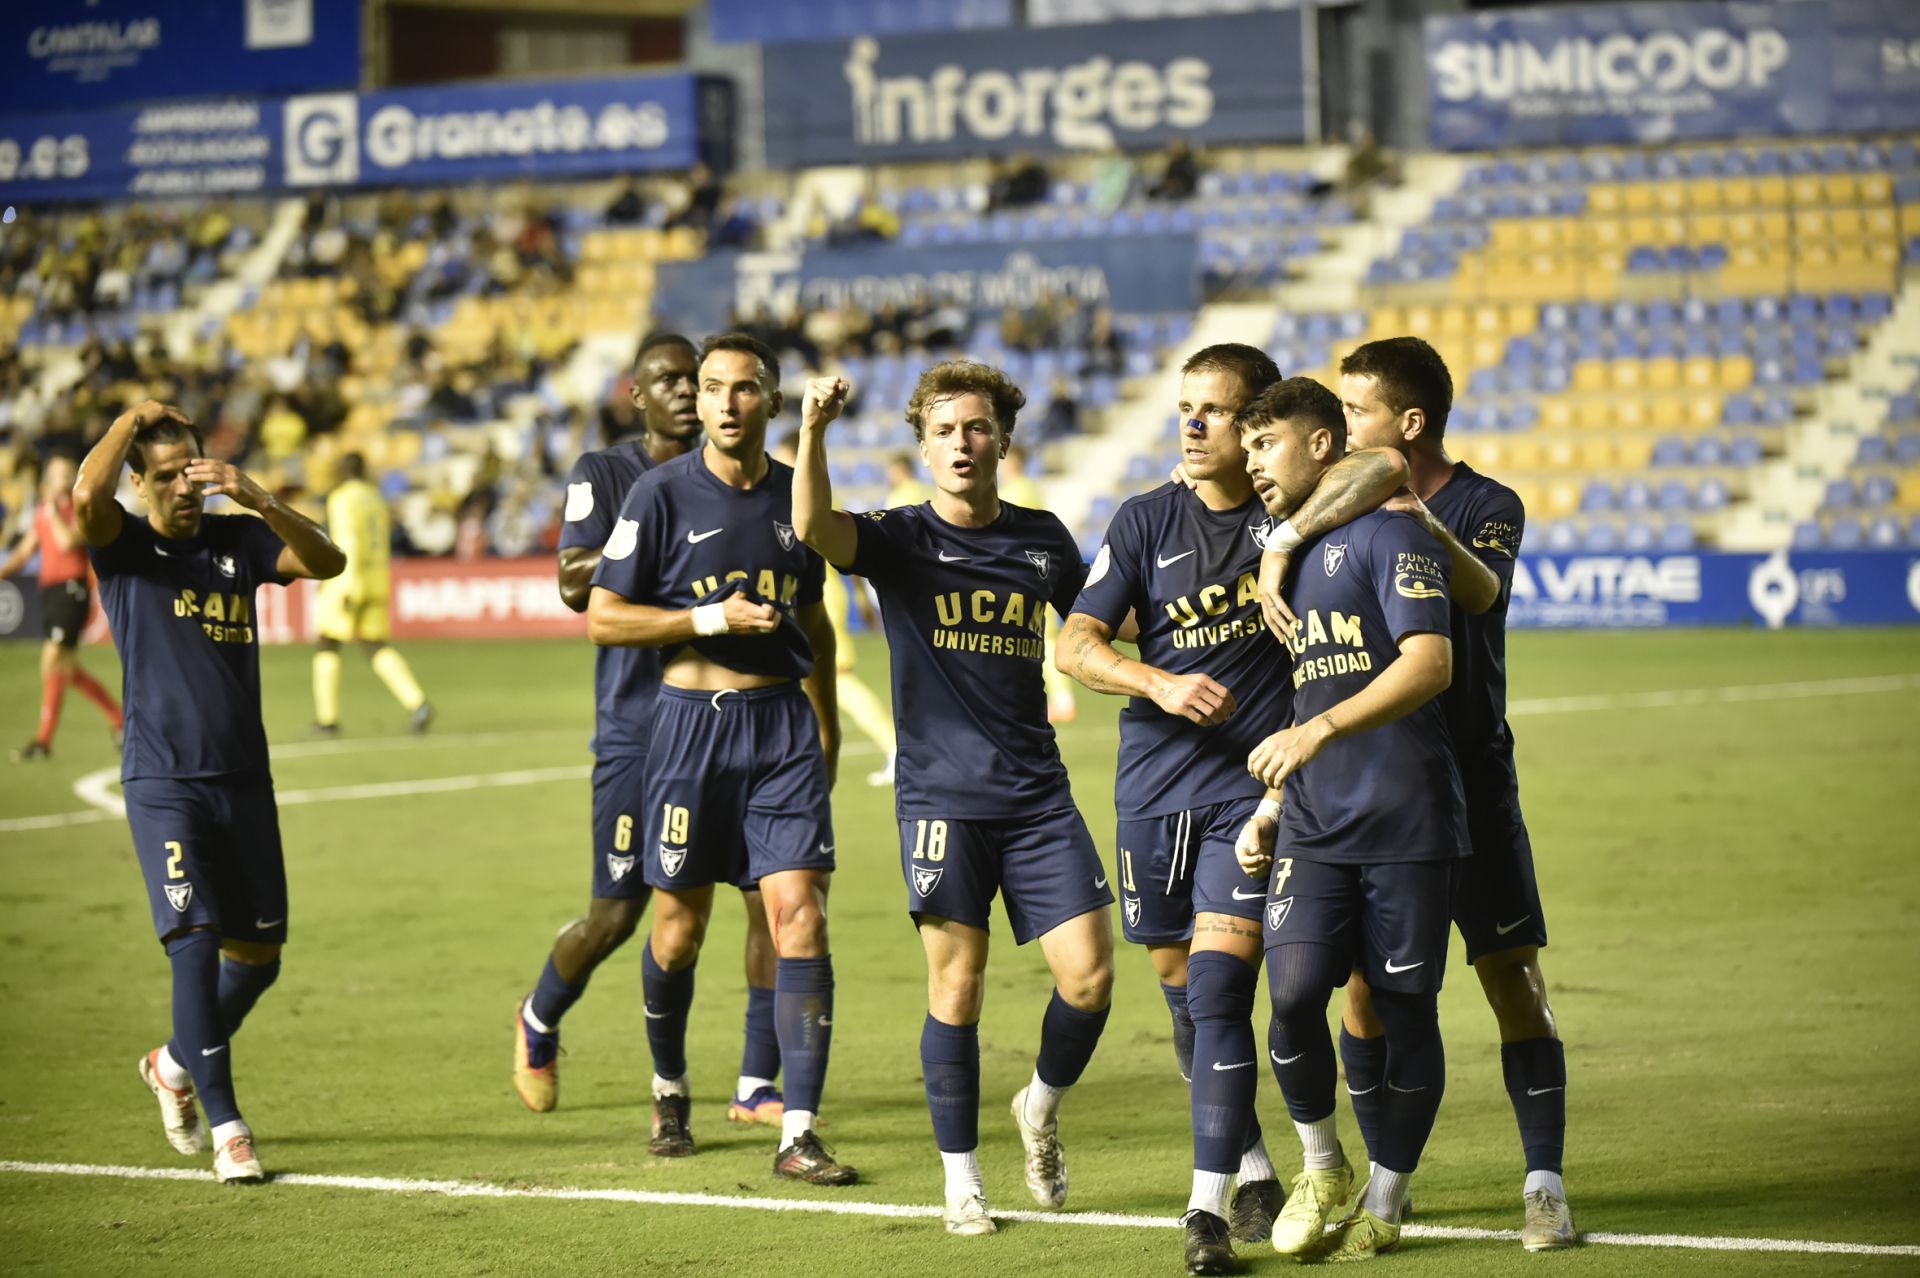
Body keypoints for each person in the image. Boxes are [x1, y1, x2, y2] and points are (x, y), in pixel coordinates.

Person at [1059, 347, 1407, 1274]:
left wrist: (1284, 541)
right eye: (1187, 407)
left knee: (1219, 988)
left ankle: (1204, 1210)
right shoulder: (1144, 520)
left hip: (1249, 795)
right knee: (1182, 986)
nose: (1193, 424)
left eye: (1216, 410)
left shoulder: (1296, 504)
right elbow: (1074, 643)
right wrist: (1156, 683)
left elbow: (1384, 463)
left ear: (1258, 427)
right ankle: (1252, 1168)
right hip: (1151, 789)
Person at [1260, 337, 1574, 1251]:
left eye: (1355, 410)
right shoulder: (1329, 508)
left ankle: (1545, 1184)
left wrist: (1414, 519)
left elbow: (1480, 594)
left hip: (1470, 771)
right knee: (1361, 994)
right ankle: (1384, 1182)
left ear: (1408, 421)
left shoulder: (1486, 504)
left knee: (1511, 975)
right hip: (1373, 784)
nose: (1340, 424)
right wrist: (1284, 541)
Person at [792, 359, 1114, 1237]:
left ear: (1002, 441)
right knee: (957, 985)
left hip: (1038, 797)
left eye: (977, 428)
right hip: (940, 799)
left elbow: (1102, 623)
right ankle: (962, 1180)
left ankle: (1038, 1105)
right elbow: (814, 525)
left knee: (1089, 979)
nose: (962, 443)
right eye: (944, 431)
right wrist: (813, 431)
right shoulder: (899, 538)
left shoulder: (1043, 540)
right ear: (924, 448)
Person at [587, 332, 854, 1186]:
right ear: (698, 401)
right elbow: (603, 617)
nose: (728, 402)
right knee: (677, 932)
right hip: (688, 730)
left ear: (771, 401)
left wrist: (827, 730)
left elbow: (813, 622)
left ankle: (796, 1131)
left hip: (781, 732)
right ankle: (669, 1089)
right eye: (713, 387)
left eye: (745, 388)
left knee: (799, 917)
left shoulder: (797, 497)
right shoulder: (660, 493)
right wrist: (708, 620)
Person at [513, 333, 787, 1132]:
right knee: (619, 914)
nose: (682, 391)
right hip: (638, 729)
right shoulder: (606, 474)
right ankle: (539, 1015)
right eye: (664, 380)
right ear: (636, 395)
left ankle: (756, 1084)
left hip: (736, 727)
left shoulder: (736, 481)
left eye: (691, 379)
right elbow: (573, 583)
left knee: (769, 901)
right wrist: (666, 538)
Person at [73, 399, 346, 1183]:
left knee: (257, 958)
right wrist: (129, 418)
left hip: (243, 780)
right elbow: (85, 497)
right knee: (193, 941)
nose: (182, 489)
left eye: (190, 472)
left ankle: (171, 1064)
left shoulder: (236, 539)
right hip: (165, 781)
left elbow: (328, 563)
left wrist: (258, 498)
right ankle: (229, 1126)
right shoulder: (123, 545)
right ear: (138, 482)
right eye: (163, 476)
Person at [1234, 376, 1465, 1261]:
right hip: (1316, 821)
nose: (1253, 464)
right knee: (1292, 995)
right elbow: (1310, 685)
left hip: (1407, 818)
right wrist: (1272, 802)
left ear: (1323, 444)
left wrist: (1321, 730)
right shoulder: (1287, 550)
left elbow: (1430, 663)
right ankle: (1323, 1165)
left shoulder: (1394, 529)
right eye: (1248, 449)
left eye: (1266, 444)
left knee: (1405, 1009)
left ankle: (1389, 1197)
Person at [772, 432, 898, 788]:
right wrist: (860, 598)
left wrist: (859, 598)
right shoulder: (814, 491)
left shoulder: (803, 492)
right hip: (816, 595)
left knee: (838, 678)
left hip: (821, 597)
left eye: (782, 455)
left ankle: (894, 748)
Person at [0, 453, 123, 760]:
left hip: (72, 591)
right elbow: (26, 550)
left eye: (68, 473)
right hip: (51, 594)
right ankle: (120, 720)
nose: (64, 479)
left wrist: (53, 509)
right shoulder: (43, 512)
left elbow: (68, 541)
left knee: (52, 661)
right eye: (58, 473)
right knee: (64, 668)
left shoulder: (81, 510)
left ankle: (44, 741)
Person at [311, 453, 433, 736]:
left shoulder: (342, 497)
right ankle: (418, 703)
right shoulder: (375, 498)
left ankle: (327, 719)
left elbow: (349, 539)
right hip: (377, 578)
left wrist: (346, 583)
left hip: (349, 579)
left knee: (327, 642)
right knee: (373, 644)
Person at [999, 445, 1078, 725]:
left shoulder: (1017, 490)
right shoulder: (1026, 488)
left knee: (1042, 638)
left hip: (1026, 575)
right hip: (1030, 572)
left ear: (1014, 462)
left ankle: (1062, 701)